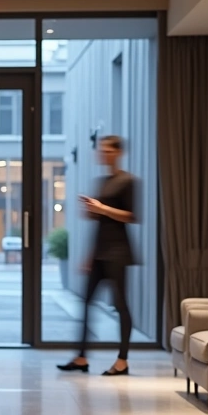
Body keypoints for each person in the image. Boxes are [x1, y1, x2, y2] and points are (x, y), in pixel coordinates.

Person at [58, 135, 138, 376]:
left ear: (118, 152)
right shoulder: (102, 182)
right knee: (86, 303)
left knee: (121, 306)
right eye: (101, 150)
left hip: (118, 253)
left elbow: (131, 216)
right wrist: (89, 254)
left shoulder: (128, 181)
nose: (102, 154)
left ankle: (122, 360)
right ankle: (82, 357)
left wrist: (102, 208)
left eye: (107, 150)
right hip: (100, 254)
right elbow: (101, 222)